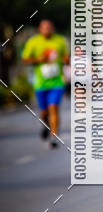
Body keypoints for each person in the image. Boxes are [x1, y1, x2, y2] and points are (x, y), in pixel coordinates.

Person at [22, 19, 70, 148]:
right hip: (40, 83)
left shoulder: (60, 40)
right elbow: (25, 59)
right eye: (44, 28)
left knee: (53, 107)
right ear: (40, 29)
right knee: (44, 112)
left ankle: (54, 136)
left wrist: (66, 59)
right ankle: (46, 125)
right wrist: (39, 59)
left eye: (49, 27)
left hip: (57, 81)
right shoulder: (33, 42)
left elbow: (67, 58)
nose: (47, 30)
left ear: (53, 28)